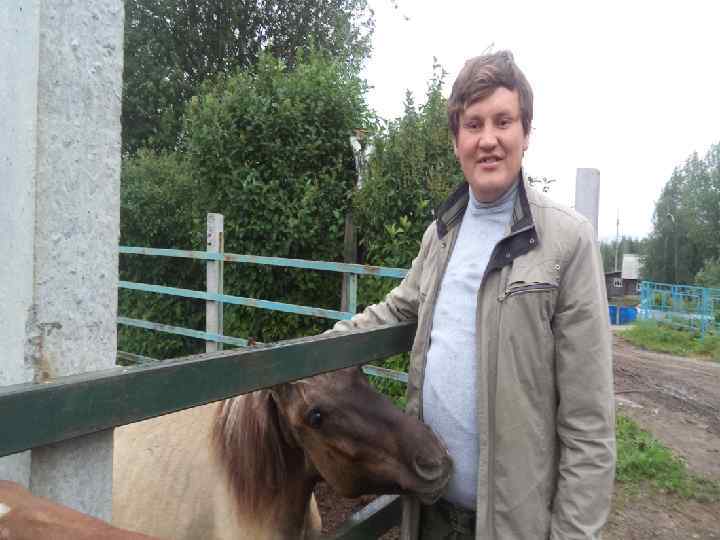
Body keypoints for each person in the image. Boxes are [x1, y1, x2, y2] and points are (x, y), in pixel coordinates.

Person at [332, 50, 615, 539]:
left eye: (503, 121)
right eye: (473, 124)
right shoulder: (441, 234)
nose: (488, 139)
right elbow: (398, 308)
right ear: (456, 140)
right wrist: (312, 352)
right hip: (431, 511)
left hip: (513, 526)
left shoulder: (567, 241)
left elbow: (589, 424)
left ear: (526, 133)